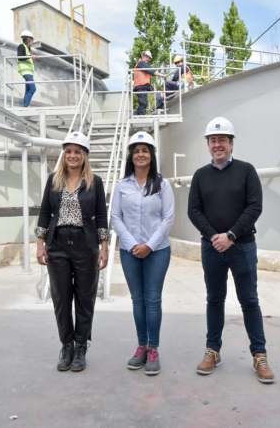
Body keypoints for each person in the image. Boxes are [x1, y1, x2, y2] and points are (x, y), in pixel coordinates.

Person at [187, 117, 275, 384]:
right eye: (213, 141)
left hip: (243, 246)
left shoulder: (247, 171)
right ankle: (213, 351)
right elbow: (193, 210)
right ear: (209, 144)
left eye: (222, 140)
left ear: (231, 143)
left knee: (249, 300)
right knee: (214, 299)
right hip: (212, 247)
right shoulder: (201, 175)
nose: (217, 145)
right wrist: (215, 236)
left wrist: (232, 235)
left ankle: (259, 355)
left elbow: (254, 207)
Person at [36, 131, 110, 372]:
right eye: (68, 151)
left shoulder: (94, 182)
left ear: (85, 155)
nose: (72, 155)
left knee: (85, 298)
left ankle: (81, 345)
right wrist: (40, 243)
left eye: (78, 151)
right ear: (64, 154)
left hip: (85, 244)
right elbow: (45, 213)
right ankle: (66, 345)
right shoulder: (53, 180)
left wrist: (105, 247)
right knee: (61, 298)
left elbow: (100, 216)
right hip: (57, 244)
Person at [111, 132, 174, 376]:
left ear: (151, 155)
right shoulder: (122, 185)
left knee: (153, 299)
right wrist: (131, 243)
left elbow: (168, 219)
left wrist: (149, 244)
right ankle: (142, 347)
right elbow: (116, 217)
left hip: (157, 251)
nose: (140, 155)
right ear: (131, 156)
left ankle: (154, 349)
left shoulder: (162, 184)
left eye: (145, 150)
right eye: (136, 150)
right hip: (129, 251)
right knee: (137, 300)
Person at [133, 50, 164, 116]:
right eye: (148, 57)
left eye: (149, 58)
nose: (148, 59)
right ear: (143, 56)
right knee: (143, 103)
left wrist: (151, 86)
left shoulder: (141, 64)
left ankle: (135, 114)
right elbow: (150, 70)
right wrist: (161, 75)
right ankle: (141, 116)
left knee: (143, 103)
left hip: (141, 86)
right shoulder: (141, 63)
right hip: (141, 86)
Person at [17, 30, 38, 107]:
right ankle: (26, 106)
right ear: (29, 39)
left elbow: (28, 61)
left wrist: (33, 59)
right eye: (32, 40)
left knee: (28, 90)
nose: (33, 42)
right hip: (25, 72)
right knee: (33, 88)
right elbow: (20, 56)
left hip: (29, 73)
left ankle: (25, 106)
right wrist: (30, 56)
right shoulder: (21, 46)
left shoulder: (28, 49)